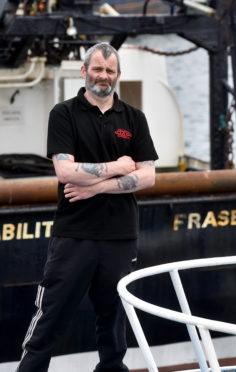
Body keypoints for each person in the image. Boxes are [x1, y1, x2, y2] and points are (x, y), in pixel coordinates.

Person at [17, 42, 158, 372]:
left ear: (118, 75)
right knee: (50, 315)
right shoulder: (64, 113)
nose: (103, 76)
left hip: (120, 237)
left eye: (110, 71)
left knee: (113, 321)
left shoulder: (134, 118)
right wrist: (121, 167)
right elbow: (65, 172)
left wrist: (95, 187)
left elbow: (149, 177)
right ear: (84, 71)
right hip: (75, 235)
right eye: (97, 69)